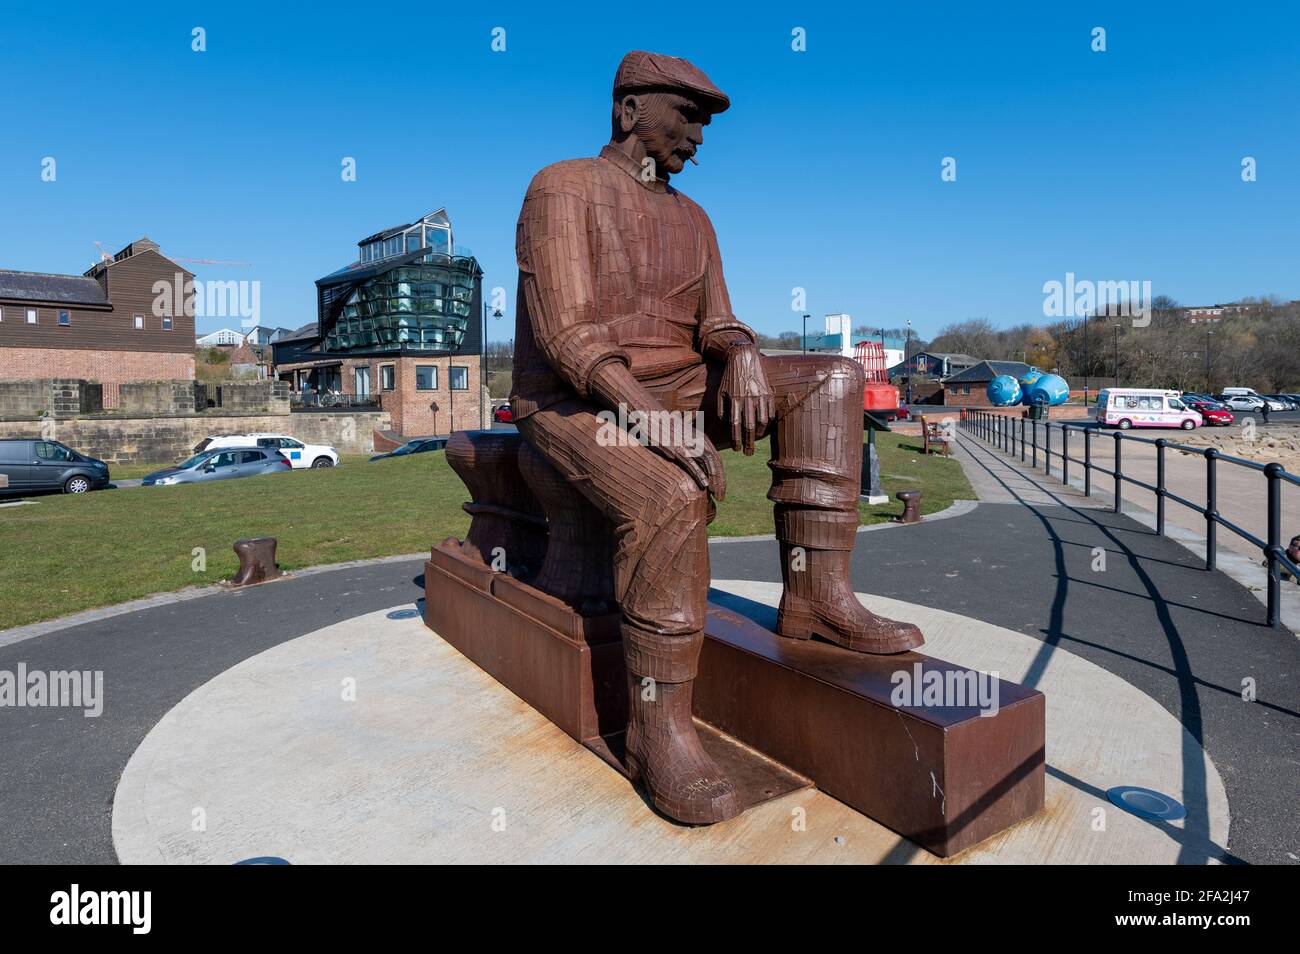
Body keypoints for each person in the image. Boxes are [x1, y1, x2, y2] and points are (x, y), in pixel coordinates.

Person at [509, 51, 922, 824]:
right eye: (690, 117)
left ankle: (819, 598)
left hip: (675, 385)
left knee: (832, 377)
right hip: (571, 402)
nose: (701, 137)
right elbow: (568, 339)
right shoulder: (561, 186)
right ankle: (657, 729)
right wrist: (660, 426)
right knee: (669, 495)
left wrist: (739, 355)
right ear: (631, 110)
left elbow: (719, 322)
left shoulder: (693, 218)